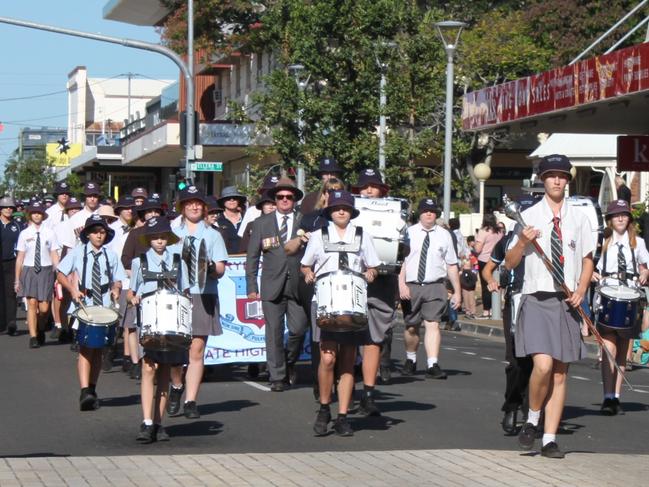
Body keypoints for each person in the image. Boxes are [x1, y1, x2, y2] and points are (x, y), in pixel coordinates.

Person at [505, 154, 594, 459]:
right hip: (537, 297)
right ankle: (532, 419)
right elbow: (510, 263)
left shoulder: (579, 217)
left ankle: (549, 438)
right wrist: (521, 243)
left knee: (560, 373)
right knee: (542, 365)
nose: (557, 181)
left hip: (567, 301)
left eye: (562, 176)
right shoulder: (528, 216)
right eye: (551, 176)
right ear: (542, 180)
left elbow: (586, 259)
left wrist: (582, 290)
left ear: (568, 180)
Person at [301, 190, 379, 436]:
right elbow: (305, 264)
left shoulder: (362, 235)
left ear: (351, 211)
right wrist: (307, 273)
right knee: (327, 358)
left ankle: (343, 416)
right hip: (325, 301)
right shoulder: (318, 235)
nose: (341, 211)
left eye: (345, 208)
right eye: (336, 208)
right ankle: (325, 407)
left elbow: (373, 266)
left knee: (347, 360)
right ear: (330, 212)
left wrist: (370, 274)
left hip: (353, 302)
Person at [129, 217, 189, 443]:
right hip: (149, 322)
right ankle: (145, 421)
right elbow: (131, 292)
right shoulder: (139, 262)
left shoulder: (177, 261)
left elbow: (185, 292)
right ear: (148, 239)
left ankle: (158, 422)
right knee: (148, 369)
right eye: (155, 237)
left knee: (164, 371)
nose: (160, 241)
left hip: (171, 324)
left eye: (163, 237)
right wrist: (132, 297)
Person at [57, 215, 126, 411]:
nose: (99, 235)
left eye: (102, 232)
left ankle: (92, 388)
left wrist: (116, 288)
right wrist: (72, 289)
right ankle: (84, 389)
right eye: (95, 232)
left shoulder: (110, 255)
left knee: (99, 349)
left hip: (104, 305)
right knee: (86, 348)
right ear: (87, 234)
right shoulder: (78, 253)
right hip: (84, 305)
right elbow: (61, 273)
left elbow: (118, 278)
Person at [169, 186, 228, 418]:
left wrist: (211, 268)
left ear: (204, 207)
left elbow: (221, 268)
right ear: (182, 207)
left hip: (203, 293)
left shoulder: (213, 234)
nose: (194, 206)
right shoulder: (172, 232)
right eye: (189, 202)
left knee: (197, 349)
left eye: (198, 203)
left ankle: (191, 401)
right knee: (176, 350)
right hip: (177, 294)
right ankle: (176, 386)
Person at [482, 195, 538, 435]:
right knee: (515, 360)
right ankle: (511, 407)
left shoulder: (541, 239)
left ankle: (531, 410)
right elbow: (487, 269)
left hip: (537, 299)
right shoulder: (506, 241)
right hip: (514, 300)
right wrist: (490, 282)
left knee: (536, 360)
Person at [246, 177, 309, 391]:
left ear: (294, 200)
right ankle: (277, 376)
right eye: (280, 197)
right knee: (273, 332)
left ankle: (289, 361)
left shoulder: (304, 221)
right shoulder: (261, 223)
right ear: (275, 199)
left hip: (298, 285)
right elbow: (252, 257)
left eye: (288, 197)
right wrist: (251, 287)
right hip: (271, 285)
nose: (284, 200)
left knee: (298, 330)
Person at [285, 177, 345, 399]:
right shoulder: (312, 219)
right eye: (329, 190)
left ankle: (340, 377)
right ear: (324, 194)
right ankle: (320, 382)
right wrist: (302, 239)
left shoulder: (349, 221)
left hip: (343, 283)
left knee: (343, 331)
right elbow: (288, 248)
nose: (333, 194)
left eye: (338, 190)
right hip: (313, 282)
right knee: (317, 332)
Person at [592, 199, 649, 415]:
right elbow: (588, 264)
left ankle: (616, 396)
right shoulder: (602, 241)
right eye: (616, 215)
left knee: (623, 350)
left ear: (629, 219)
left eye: (624, 215)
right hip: (608, 294)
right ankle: (607, 396)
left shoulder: (638, 243)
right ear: (609, 219)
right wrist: (593, 275)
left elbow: (646, 267)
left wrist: (644, 272)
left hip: (631, 298)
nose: (621, 218)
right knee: (609, 348)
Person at [398, 198, 461, 379]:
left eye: (432, 211)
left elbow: (451, 264)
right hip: (412, 285)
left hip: (435, 285)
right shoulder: (408, 233)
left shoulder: (444, 235)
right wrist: (401, 284)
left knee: (433, 324)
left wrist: (457, 291)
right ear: (419, 213)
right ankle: (411, 359)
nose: (428, 214)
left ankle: (432, 363)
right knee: (411, 327)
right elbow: (401, 262)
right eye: (425, 210)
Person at [351, 168, 398, 409]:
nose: (369, 190)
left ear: (382, 190)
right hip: (351, 282)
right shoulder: (347, 213)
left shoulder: (394, 213)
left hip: (382, 283)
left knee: (374, 339)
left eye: (374, 186)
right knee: (347, 339)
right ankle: (344, 390)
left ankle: (368, 393)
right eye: (364, 186)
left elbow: (403, 249)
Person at [14, 201, 60, 348]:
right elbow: (20, 257)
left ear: (43, 215)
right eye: (34, 212)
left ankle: (40, 328)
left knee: (45, 308)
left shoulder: (50, 233)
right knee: (32, 303)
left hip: (46, 270)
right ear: (30, 215)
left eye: (39, 212)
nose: (36, 215)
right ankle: (33, 336)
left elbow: (54, 254)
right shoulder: (24, 233)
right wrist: (17, 279)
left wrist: (58, 273)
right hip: (29, 269)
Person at [0, 197, 23, 336]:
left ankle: (11, 323)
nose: (8, 209)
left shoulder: (18, 226)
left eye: (11, 207)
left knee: (11, 293)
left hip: (12, 262)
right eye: (5, 207)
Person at [58, 181, 102, 253]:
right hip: (81, 259)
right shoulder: (75, 219)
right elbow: (69, 246)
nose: (92, 199)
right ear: (85, 197)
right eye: (89, 196)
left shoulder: (104, 214)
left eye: (95, 196)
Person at [474, 213, 503, 318]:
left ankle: (487, 311)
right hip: (497, 260)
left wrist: (474, 246)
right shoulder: (499, 231)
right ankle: (496, 309)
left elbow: (478, 249)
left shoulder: (483, 231)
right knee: (496, 284)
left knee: (485, 286)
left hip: (484, 260)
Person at [217, 186, 246, 254]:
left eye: (235, 198)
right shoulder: (217, 220)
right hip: (226, 260)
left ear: (239, 200)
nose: (232, 200)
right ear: (223, 201)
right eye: (228, 198)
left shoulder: (246, 217)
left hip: (246, 258)